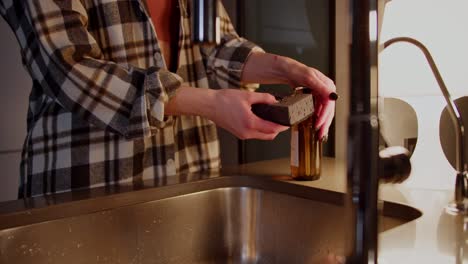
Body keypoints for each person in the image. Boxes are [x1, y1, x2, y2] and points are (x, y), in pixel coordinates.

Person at [0, 0, 336, 198]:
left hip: (190, 189)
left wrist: (286, 68)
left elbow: (216, 46)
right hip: (84, 196)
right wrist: (211, 104)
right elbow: (69, 69)